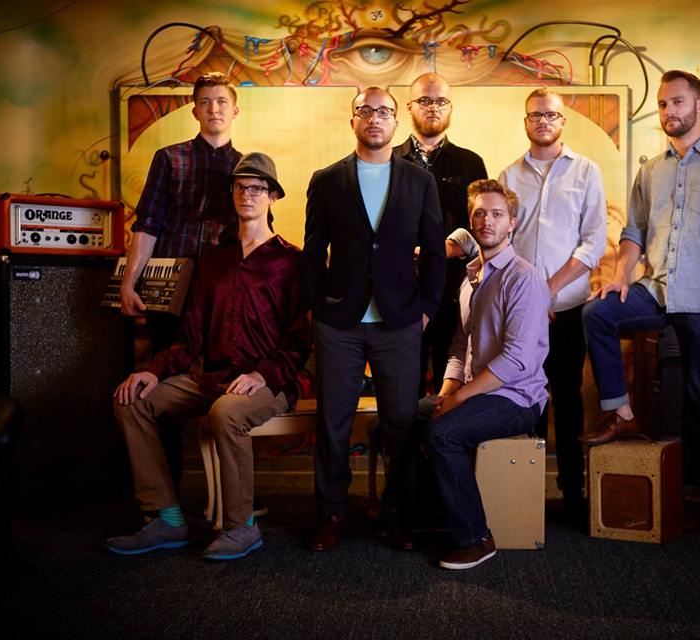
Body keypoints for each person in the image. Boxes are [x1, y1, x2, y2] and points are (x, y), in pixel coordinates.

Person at [107, 153, 311, 561]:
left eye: (257, 188)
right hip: (213, 378)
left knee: (227, 411)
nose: (247, 195)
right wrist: (154, 372)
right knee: (132, 400)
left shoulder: (292, 261)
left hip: (270, 382)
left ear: (272, 196)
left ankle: (242, 526)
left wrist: (262, 375)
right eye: (240, 187)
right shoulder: (213, 261)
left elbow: (300, 338)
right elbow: (190, 339)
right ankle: (167, 517)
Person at [582, 70, 700, 492]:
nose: (668, 111)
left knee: (698, 395)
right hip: (655, 290)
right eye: (663, 104)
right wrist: (621, 276)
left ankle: (693, 489)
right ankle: (621, 413)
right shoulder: (650, 172)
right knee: (596, 314)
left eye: (677, 102)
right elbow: (633, 233)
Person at [301, 87, 446, 551]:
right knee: (333, 422)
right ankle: (331, 513)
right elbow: (312, 251)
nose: (375, 118)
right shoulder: (327, 180)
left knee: (401, 424)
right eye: (365, 110)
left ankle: (399, 515)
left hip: (399, 321)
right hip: (339, 322)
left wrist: (426, 309)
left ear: (396, 121)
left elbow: (436, 250)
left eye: (384, 111)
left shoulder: (419, 181)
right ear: (353, 121)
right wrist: (315, 307)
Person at [119, 71, 243, 488]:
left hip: (225, 295)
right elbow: (148, 224)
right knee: (161, 381)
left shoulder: (246, 167)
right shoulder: (169, 159)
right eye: (205, 101)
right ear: (194, 110)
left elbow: (256, 234)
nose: (214, 109)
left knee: (227, 387)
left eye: (221, 102)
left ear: (235, 110)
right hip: (169, 289)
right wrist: (129, 282)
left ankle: (230, 492)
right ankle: (166, 489)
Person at [423, 179, 549, 570]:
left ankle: (476, 539)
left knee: (444, 434)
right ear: (470, 220)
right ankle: (424, 515)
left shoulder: (523, 278)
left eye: (496, 214)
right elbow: (460, 346)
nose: (487, 221)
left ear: (512, 223)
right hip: (478, 391)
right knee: (406, 416)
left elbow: (516, 361)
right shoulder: (470, 279)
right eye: (479, 213)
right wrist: (446, 393)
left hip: (517, 398)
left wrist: (458, 400)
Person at [497, 88, 607, 518]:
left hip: (568, 307)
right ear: (525, 122)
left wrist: (548, 289)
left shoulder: (586, 171)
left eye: (551, 115)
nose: (542, 120)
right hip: (521, 311)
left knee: (567, 395)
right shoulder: (508, 175)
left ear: (563, 121)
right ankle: (526, 495)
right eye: (535, 115)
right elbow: (502, 242)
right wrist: (527, 294)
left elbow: (593, 242)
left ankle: (572, 491)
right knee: (526, 397)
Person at [394, 72, 488, 395]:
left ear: (450, 107)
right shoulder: (390, 160)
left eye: (441, 101)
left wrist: (440, 250)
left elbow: (481, 228)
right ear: (409, 106)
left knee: (453, 382)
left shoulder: (470, 163)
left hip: (454, 290)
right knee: (403, 385)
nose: (433, 107)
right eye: (424, 100)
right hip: (401, 290)